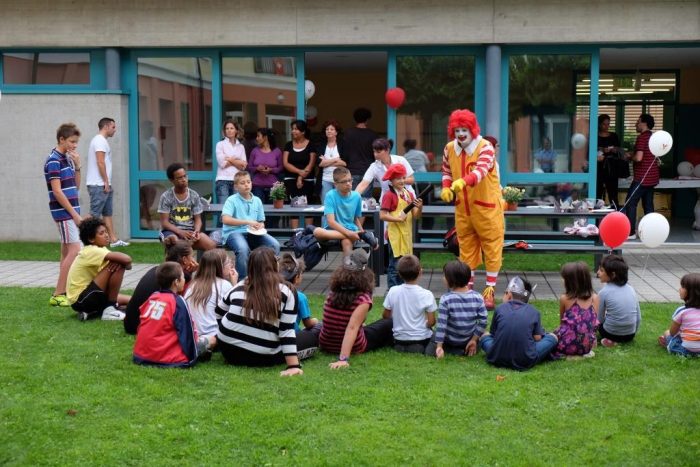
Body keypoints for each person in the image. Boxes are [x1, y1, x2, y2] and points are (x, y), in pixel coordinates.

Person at [440, 109, 503, 310]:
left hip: (487, 209)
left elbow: (481, 170)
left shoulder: (486, 147)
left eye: (464, 129)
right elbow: (446, 171)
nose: (460, 133)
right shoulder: (449, 148)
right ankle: (467, 290)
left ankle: (489, 291)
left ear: (472, 129)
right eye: (457, 129)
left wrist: (463, 182)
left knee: (492, 248)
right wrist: (446, 188)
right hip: (463, 210)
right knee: (466, 250)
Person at [216, 247, 305, 376]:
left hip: (228, 350)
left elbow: (219, 311)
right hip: (263, 356)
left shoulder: (240, 285)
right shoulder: (287, 291)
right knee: (310, 336)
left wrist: (231, 333)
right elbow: (286, 331)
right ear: (275, 265)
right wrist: (293, 366)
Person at [320, 249, 393, 369]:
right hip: (354, 346)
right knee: (389, 323)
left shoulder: (332, 292)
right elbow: (352, 327)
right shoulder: (363, 300)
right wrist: (343, 359)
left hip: (326, 344)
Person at [133, 262, 215, 368]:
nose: (184, 279)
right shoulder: (177, 301)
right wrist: (192, 357)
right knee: (212, 339)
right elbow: (187, 332)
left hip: (141, 355)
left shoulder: (152, 297)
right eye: (182, 276)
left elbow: (142, 325)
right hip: (167, 358)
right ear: (176, 282)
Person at [479, 276, 558, 371]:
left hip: (496, 357)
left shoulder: (500, 308)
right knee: (553, 337)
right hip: (525, 360)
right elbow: (537, 338)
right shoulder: (534, 311)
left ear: (509, 295)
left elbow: (493, 335)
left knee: (484, 335)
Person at [44, 123, 84, 308]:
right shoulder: (53, 160)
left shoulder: (66, 158)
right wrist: (74, 215)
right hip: (64, 213)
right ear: (61, 139)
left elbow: (75, 187)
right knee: (75, 250)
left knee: (67, 251)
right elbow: (57, 192)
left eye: (76, 142)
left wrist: (77, 166)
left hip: (70, 211)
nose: (75, 145)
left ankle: (64, 289)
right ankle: (58, 293)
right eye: (72, 142)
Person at [124, 237, 198, 335]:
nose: (193, 259)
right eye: (192, 256)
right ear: (184, 260)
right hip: (140, 326)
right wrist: (190, 274)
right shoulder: (177, 278)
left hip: (129, 322)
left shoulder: (158, 269)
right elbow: (184, 302)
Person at [66, 217, 132, 321]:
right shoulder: (91, 250)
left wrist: (125, 263)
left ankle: (95, 311)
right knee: (118, 262)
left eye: (106, 231)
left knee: (133, 301)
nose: (106, 235)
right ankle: (110, 309)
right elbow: (127, 260)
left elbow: (128, 264)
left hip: (87, 297)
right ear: (91, 239)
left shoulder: (100, 249)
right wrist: (123, 263)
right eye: (101, 233)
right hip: (81, 299)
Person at [221, 171, 280, 279]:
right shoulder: (231, 200)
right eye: (242, 183)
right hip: (234, 233)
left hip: (253, 234)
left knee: (274, 245)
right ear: (236, 186)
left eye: (248, 182)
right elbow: (225, 219)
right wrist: (248, 222)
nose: (246, 185)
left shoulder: (257, 200)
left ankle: (265, 278)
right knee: (243, 249)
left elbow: (261, 221)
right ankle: (243, 282)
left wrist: (260, 226)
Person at [425, 261, 487, 358]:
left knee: (430, 348)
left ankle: (450, 350)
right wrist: (474, 340)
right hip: (468, 340)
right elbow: (483, 321)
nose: (443, 279)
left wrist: (439, 347)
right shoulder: (478, 297)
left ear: (451, 280)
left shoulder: (446, 299)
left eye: (445, 276)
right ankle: (464, 349)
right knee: (484, 335)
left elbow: (441, 325)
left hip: (449, 340)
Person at [313, 167, 378, 255]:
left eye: (350, 180)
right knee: (317, 232)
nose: (348, 184)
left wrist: (361, 230)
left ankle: (347, 266)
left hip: (350, 229)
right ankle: (359, 235)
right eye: (344, 182)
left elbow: (355, 218)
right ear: (335, 184)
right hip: (333, 231)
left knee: (347, 243)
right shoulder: (330, 195)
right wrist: (352, 234)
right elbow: (331, 222)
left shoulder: (356, 196)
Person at [86, 117, 128, 247]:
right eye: (113, 127)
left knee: (107, 213)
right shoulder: (99, 141)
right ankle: (83, 239)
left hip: (104, 184)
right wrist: (105, 181)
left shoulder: (102, 141)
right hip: (99, 184)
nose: (115, 130)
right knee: (94, 215)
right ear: (106, 127)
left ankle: (113, 240)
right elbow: (100, 162)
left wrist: (107, 182)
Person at [382, 255, 436, 354]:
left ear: (399, 273)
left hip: (399, 339)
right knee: (438, 333)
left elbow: (386, 316)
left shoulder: (393, 291)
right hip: (421, 338)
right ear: (420, 272)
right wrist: (427, 323)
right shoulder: (427, 294)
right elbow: (432, 322)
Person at [379, 163, 422, 288]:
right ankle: (392, 291)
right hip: (395, 236)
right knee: (394, 266)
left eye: (403, 177)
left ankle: (404, 289)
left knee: (406, 265)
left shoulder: (409, 194)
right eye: (398, 178)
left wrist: (420, 207)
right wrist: (397, 219)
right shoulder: (389, 195)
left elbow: (416, 216)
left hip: (406, 236)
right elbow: (382, 215)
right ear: (391, 181)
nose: (402, 181)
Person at [158, 162, 216, 251]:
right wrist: (180, 232)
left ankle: (204, 265)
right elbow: (165, 223)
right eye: (180, 178)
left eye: (185, 176)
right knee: (174, 242)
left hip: (190, 232)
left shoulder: (194, 195)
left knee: (210, 244)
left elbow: (198, 220)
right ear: (171, 180)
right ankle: (172, 264)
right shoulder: (166, 197)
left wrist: (196, 231)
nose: (184, 179)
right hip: (171, 232)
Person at [184, 249, 237, 343]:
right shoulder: (224, 285)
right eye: (228, 262)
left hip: (193, 334)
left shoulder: (193, 284)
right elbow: (235, 311)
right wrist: (234, 285)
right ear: (219, 267)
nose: (232, 265)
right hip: (214, 334)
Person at [551, 262, 599, 359]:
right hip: (586, 347)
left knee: (549, 337)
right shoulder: (595, 298)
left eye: (564, 278)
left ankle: (569, 354)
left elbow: (562, 324)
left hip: (565, 345)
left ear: (571, 282)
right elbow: (593, 324)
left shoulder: (565, 298)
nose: (562, 280)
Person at [624, 114, 659, 239]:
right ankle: (651, 233)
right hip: (652, 177)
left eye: (638, 122)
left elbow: (639, 158)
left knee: (630, 203)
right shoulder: (653, 137)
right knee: (648, 205)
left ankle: (630, 233)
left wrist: (629, 157)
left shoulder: (642, 138)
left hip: (642, 178)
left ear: (644, 124)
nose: (635, 124)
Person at [278, 253, 320, 357]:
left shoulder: (273, 291)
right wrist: (316, 321)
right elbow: (308, 324)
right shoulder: (300, 297)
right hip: (292, 335)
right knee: (319, 327)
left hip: (275, 334)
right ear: (297, 277)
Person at [596, 254, 641, 347]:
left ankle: (610, 340)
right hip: (630, 335)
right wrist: (633, 331)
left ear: (612, 274)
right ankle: (615, 341)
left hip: (609, 333)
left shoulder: (603, 292)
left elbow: (599, 319)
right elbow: (638, 317)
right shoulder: (631, 289)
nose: (598, 273)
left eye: (601, 270)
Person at [354, 138, 416, 203]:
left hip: (407, 198)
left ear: (387, 150)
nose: (375, 154)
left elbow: (411, 180)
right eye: (374, 151)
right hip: (387, 200)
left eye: (378, 152)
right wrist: (352, 198)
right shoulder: (374, 166)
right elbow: (363, 184)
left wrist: (396, 181)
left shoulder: (401, 160)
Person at [658, 273, 700, 357]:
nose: (679, 289)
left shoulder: (682, 311)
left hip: (685, 350)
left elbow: (672, 333)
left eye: (683, 287)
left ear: (691, 292)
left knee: (667, 333)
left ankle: (666, 343)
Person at [341, 107, 377, 196]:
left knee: (352, 200)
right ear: (367, 119)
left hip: (352, 170)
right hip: (368, 171)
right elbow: (376, 154)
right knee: (366, 203)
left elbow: (343, 153)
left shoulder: (347, 133)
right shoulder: (373, 135)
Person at [282, 120, 317, 207]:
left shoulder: (311, 145)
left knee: (308, 208)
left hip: (307, 180)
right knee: (295, 208)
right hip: (290, 180)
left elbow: (311, 164)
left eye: (296, 129)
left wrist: (300, 177)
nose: (293, 131)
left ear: (303, 131)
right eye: (292, 129)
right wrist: (299, 172)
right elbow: (285, 163)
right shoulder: (288, 145)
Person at [215, 119, 247, 202]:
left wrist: (229, 159)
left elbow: (243, 166)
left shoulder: (241, 146)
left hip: (237, 181)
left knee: (236, 210)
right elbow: (222, 164)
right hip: (222, 181)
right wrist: (236, 160)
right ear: (224, 131)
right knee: (223, 209)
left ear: (236, 130)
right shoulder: (220, 144)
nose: (229, 130)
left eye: (231, 128)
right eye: (227, 128)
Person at [248, 127, 283, 204]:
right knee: (258, 211)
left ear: (265, 137)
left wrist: (271, 170)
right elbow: (249, 167)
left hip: (273, 187)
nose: (256, 138)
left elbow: (281, 168)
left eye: (258, 136)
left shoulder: (277, 151)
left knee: (273, 213)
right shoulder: (255, 151)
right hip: (257, 186)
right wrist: (257, 168)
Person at [596, 114, 623, 209]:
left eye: (608, 124)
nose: (606, 127)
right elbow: (589, 151)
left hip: (611, 168)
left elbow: (619, 150)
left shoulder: (614, 136)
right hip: (598, 168)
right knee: (597, 193)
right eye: (604, 124)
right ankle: (595, 217)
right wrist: (601, 149)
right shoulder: (594, 136)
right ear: (599, 124)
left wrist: (614, 149)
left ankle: (615, 215)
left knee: (613, 193)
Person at [318, 120, 347, 203]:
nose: (329, 131)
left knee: (340, 206)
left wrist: (327, 161)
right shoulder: (321, 145)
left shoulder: (342, 144)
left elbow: (344, 163)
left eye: (332, 129)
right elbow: (320, 164)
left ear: (336, 132)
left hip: (340, 180)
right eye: (327, 129)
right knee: (326, 206)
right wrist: (335, 159)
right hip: (325, 180)